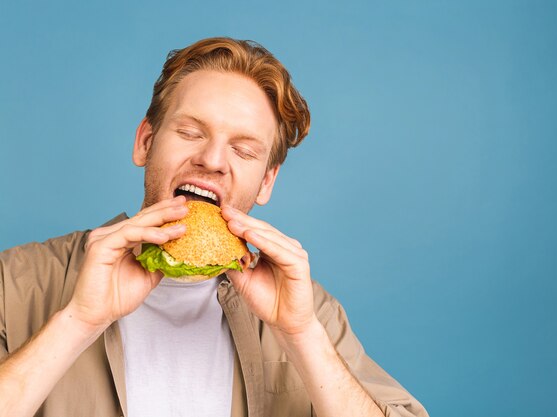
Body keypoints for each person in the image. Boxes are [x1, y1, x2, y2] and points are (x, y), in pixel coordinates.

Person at [0, 37, 428, 417]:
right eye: (190, 132)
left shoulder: (309, 311)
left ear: (266, 181)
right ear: (145, 142)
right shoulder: (16, 282)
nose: (213, 160)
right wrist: (78, 321)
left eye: (243, 150)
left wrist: (300, 337)